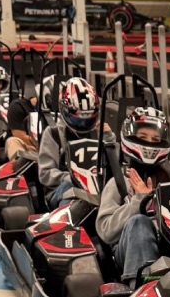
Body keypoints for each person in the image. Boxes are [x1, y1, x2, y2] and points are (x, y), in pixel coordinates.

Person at [96, 107, 170, 287]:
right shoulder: (119, 182)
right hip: (128, 254)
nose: (149, 143)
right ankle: (141, 289)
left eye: (155, 139)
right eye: (143, 137)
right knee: (139, 223)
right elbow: (106, 231)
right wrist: (138, 200)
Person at [37, 77, 113, 209]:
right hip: (63, 189)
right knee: (70, 188)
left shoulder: (99, 133)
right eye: (79, 118)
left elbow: (115, 167)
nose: (83, 123)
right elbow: (45, 173)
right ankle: (69, 220)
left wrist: (108, 138)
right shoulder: (53, 134)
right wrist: (75, 178)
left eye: (88, 118)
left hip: (98, 188)